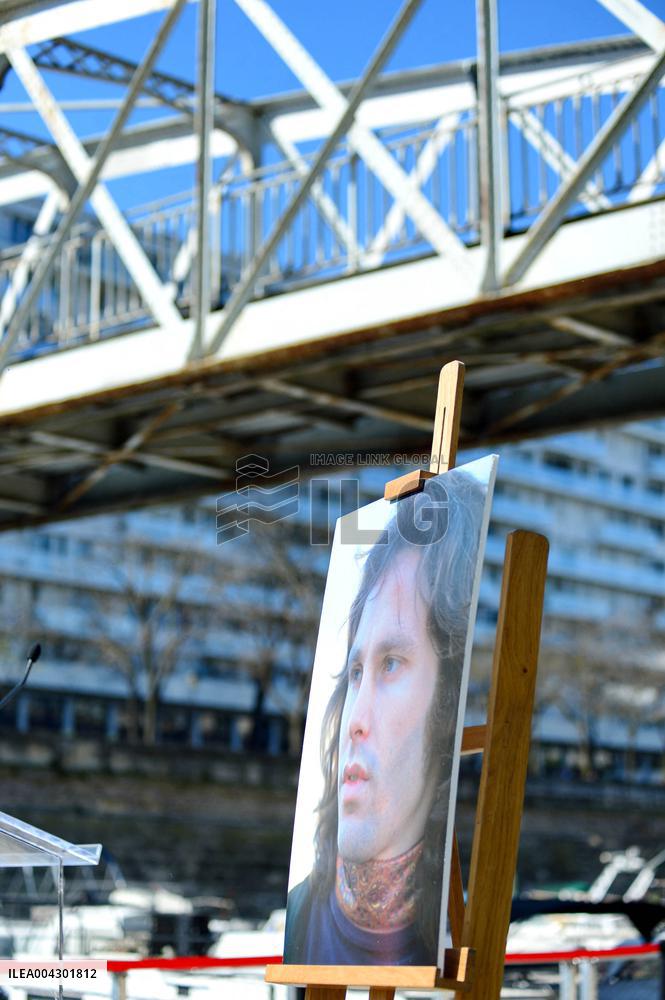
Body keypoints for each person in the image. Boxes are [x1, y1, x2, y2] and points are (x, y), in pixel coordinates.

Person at [284, 468, 487, 966]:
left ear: (447, 706)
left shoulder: (437, 936)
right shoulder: (298, 916)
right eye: (356, 671)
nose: (355, 718)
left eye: (391, 664)